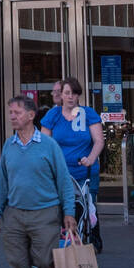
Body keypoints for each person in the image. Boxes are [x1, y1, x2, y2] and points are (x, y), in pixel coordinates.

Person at [0, 95, 77, 268]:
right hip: (15, 214)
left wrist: (69, 212)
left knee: (45, 261)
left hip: (45, 213)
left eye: (16, 112)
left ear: (31, 115)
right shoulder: (9, 145)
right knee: (18, 266)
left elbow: (64, 181)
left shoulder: (48, 145)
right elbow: (2, 182)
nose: (12, 116)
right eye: (10, 112)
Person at [40, 76, 105, 250]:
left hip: (84, 172)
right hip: (60, 173)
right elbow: (44, 144)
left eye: (74, 93)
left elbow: (99, 141)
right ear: (60, 95)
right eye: (67, 93)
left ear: (78, 96)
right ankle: (66, 244)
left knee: (85, 207)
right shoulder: (52, 115)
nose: (70, 97)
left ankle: (90, 239)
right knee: (62, 209)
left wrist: (91, 158)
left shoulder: (88, 113)